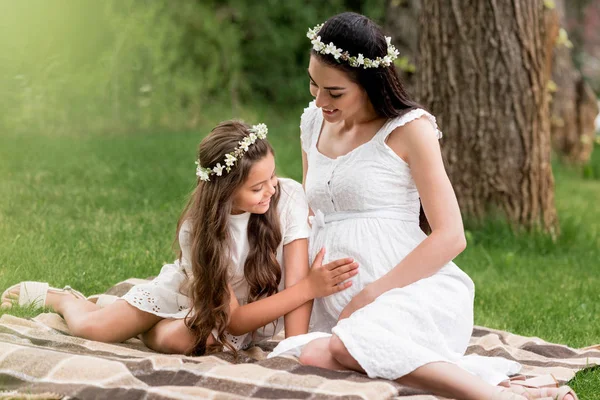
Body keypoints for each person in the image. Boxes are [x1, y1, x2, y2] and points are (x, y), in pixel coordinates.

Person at [269, 12, 577, 400]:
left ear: (368, 83)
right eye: (313, 85)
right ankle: (498, 385)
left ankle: (499, 397)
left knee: (350, 346)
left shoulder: (410, 129)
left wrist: (372, 295)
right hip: (329, 298)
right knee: (312, 356)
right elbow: (314, 212)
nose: (319, 100)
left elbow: (451, 236)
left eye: (334, 92)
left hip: (403, 289)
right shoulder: (313, 121)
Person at [1, 120, 359, 355]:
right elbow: (236, 318)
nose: (271, 190)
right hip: (192, 295)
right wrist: (312, 287)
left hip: (229, 316)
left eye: (272, 177)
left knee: (193, 339)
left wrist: (293, 350)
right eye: (256, 187)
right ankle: (63, 299)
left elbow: (295, 286)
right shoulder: (199, 229)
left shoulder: (290, 197)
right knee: (96, 330)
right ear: (225, 191)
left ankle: (140, 323)